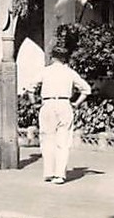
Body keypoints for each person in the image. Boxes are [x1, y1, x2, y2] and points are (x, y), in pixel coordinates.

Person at [38, 46, 92, 184]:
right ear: (64, 58)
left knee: (47, 139)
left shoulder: (45, 71)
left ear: (52, 57)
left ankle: (48, 172)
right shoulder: (70, 72)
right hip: (64, 104)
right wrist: (76, 103)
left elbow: (31, 87)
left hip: (48, 104)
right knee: (63, 140)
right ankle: (60, 175)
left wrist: (34, 103)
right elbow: (86, 89)